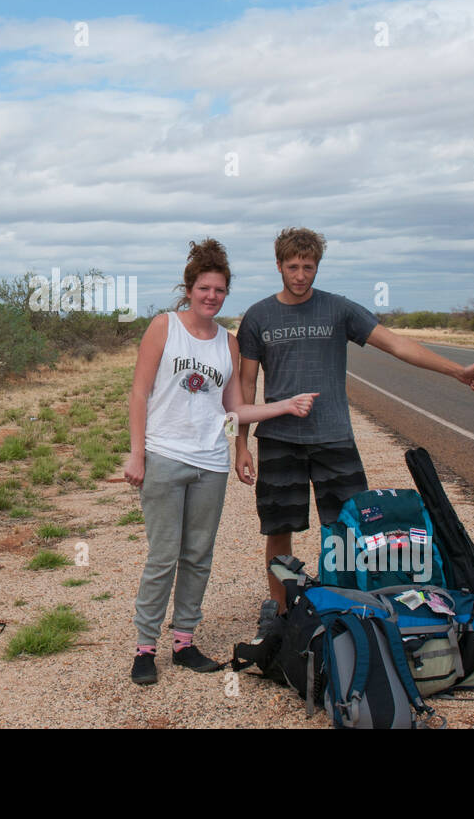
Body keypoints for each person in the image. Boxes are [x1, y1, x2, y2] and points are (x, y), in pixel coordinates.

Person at [234, 227, 474, 609]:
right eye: (293, 266)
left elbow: (396, 344)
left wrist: (456, 371)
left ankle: (350, 609)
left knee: (350, 530)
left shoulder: (339, 309)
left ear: (317, 266)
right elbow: (246, 384)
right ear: (278, 266)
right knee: (278, 530)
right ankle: (281, 614)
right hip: (279, 439)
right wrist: (241, 444)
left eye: (308, 266)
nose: (300, 275)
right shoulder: (258, 316)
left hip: (334, 437)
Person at [123, 239, 318, 686]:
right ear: (189, 288)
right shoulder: (163, 327)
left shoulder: (227, 344)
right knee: (163, 555)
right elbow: (138, 392)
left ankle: (185, 641)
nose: (212, 296)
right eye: (204, 288)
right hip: (164, 457)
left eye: (220, 290)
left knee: (198, 556)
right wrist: (137, 453)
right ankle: (145, 647)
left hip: (208, 463)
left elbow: (233, 410)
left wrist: (281, 406)